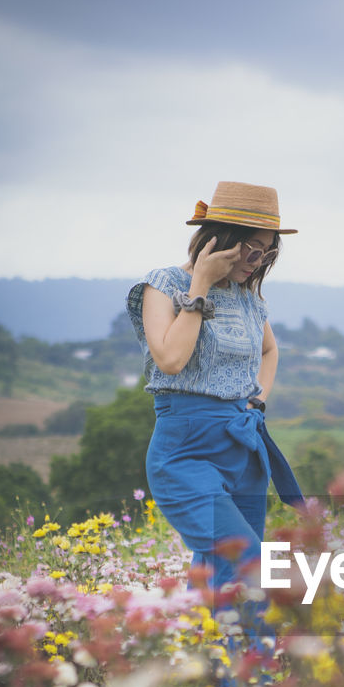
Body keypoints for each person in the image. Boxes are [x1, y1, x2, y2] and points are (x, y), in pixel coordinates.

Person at [126, 181, 304, 640]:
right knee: (248, 563)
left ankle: (211, 681)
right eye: (251, 248)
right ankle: (248, 683)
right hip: (184, 451)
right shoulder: (162, 285)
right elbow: (170, 359)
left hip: (243, 447)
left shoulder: (249, 298)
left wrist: (258, 400)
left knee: (221, 575)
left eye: (266, 252)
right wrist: (200, 284)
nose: (258, 260)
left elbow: (269, 352)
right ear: (218, 238)